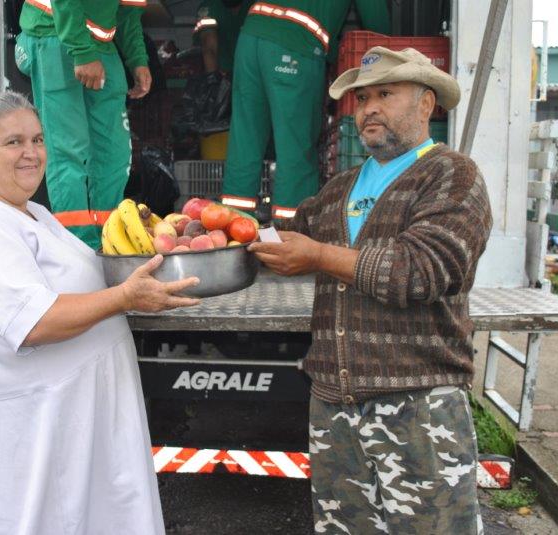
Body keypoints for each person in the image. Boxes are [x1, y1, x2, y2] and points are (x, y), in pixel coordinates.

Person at [0, 91, 200, 534]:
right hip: (37, 439)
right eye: (13, 142)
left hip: (74, 426)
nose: (32, 153)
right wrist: (126, 298)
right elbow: (34, 322)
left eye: (37, 140)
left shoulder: (28, 211)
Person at [249, 47, 493, 534]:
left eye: (385, 94)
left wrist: (317, 256)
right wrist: (211, 234)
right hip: (334, 406)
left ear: (426, 105)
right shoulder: (339, 188)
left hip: (418, 407)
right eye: (362, 100)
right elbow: (284, 244)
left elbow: (420, 271)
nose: (368, 109)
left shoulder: (451, 174)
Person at [220, 0, 390, 221]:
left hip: (250, 38)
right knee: (295, 146)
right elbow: (374, 16)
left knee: (245, 138)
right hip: (295, 44)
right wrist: (388, 52)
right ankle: (291, 230)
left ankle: (233, 226)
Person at [15, 0, 152, 250]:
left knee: (114, 153)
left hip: (101, 45)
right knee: (69, 149)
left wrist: (138, 60)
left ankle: (109, 239)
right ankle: (75, 246)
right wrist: (82, 52)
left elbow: (128, 12)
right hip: (53, 31)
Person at [193, 0, 254, 75]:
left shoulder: (257, 6)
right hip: (222, 74)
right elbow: (209, 47)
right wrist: (213, 79)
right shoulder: (209, 7)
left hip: (251, 75)